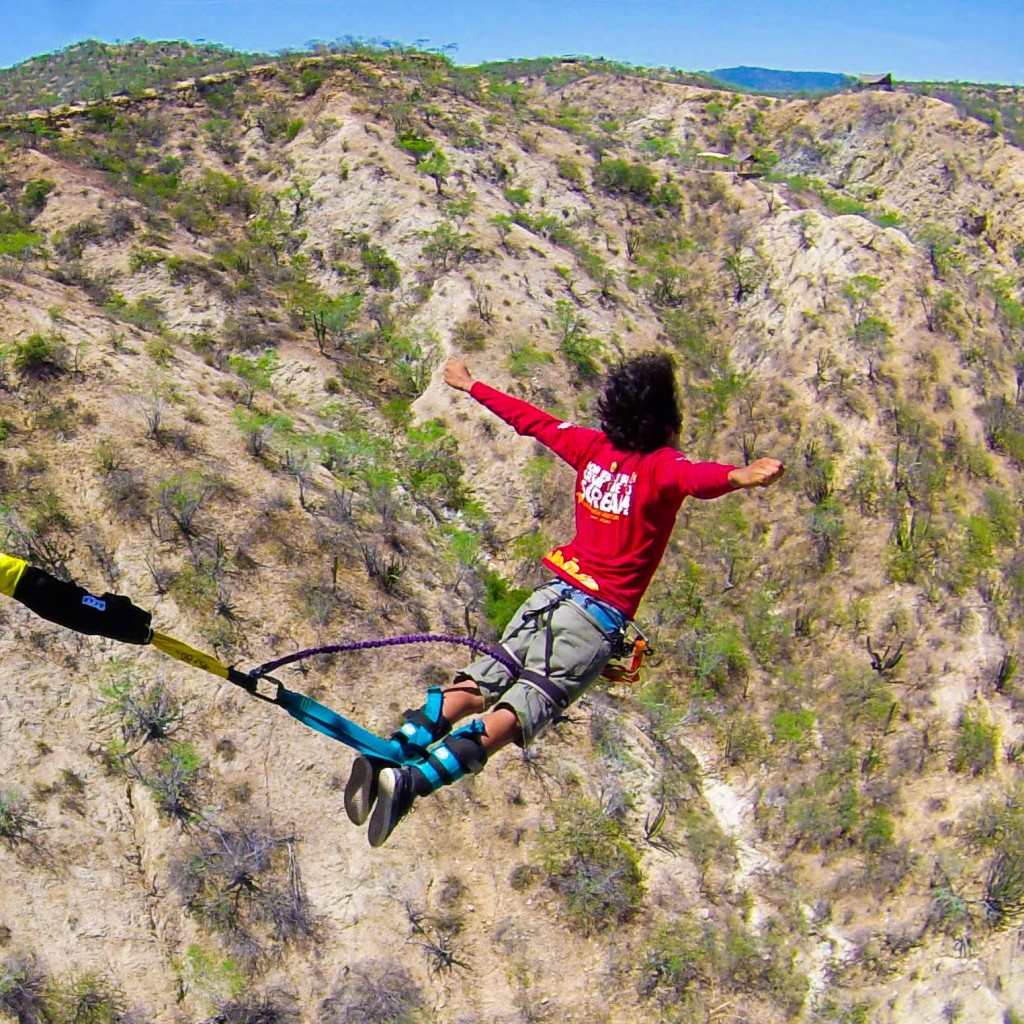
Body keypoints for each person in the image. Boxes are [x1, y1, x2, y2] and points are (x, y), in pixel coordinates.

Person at [346, 353, 784, 847]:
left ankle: (395, 749)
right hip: (591, 620)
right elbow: (697, 478)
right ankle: (413, 780)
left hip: (547, 599)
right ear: (666, 421)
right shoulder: (662, 467)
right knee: (518, 711)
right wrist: (739, 476)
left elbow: (532, 421)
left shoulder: (590, 447)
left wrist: (472, 385)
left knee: (478, 682)